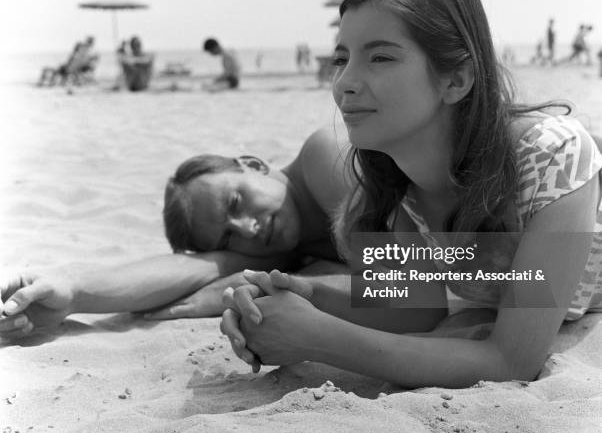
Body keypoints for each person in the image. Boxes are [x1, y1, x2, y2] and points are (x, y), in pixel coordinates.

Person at [220, 0, 602, 388]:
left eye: (380, 57)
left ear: (456, 79)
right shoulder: (399, 185)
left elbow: (512, 360)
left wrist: (317, 337)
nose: (345, 82)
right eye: (341, 59)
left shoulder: (551, 157)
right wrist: (308, 295)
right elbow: (420, 307)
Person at [0, 128, 351, 339]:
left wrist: (295, 282)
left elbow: (404, 282)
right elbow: (200, 268)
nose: (248, 228)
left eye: (235, 201)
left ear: (255, 165)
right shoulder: (282, 245)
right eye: (229, 238)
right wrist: (72, 291)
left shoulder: (325, 155)